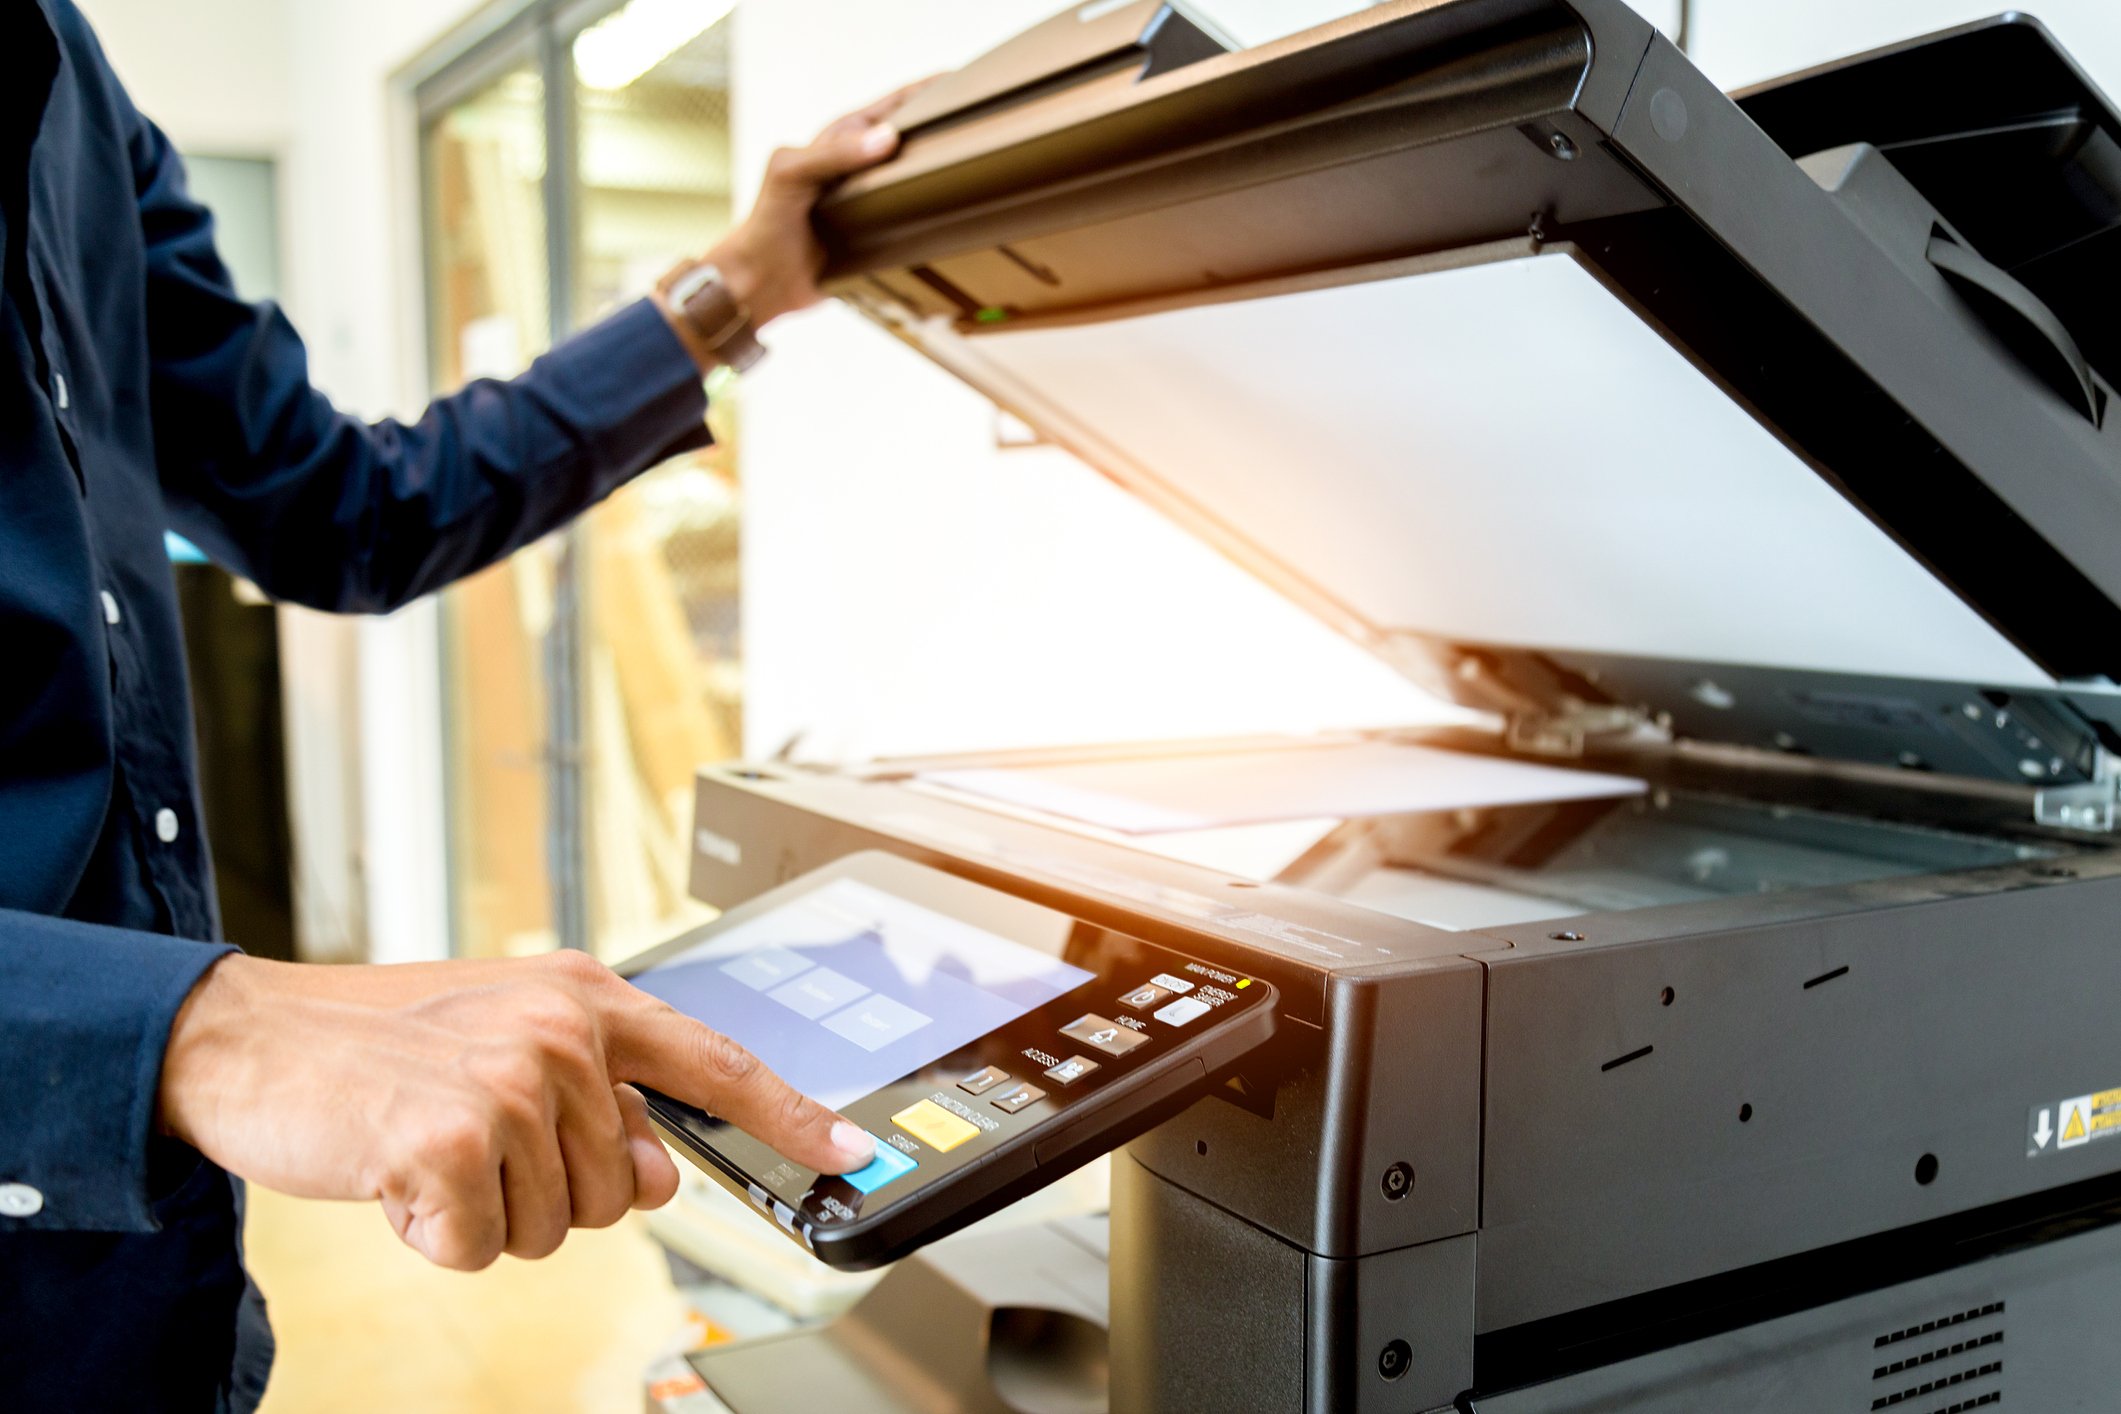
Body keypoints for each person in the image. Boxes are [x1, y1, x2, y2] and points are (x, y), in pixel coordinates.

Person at [0, 3, 907, 1408]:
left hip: (137, 1293)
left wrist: (728, 291)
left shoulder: (68, 81)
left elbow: (346, 509)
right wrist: (189, 1029)